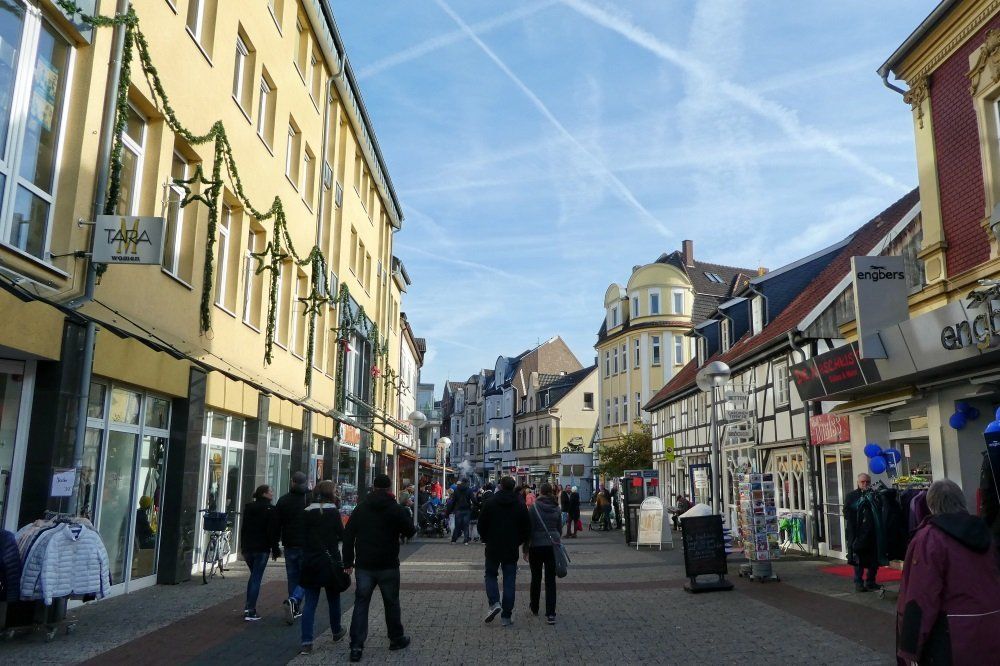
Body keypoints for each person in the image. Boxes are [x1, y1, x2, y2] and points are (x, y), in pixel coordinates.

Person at [896, 479, 1000, 664]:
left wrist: (909, 650)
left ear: (931, 505)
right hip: (991, 630)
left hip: (951, 639)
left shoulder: (930, 538)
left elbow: (921, 596)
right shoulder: (986, 534)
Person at [343, 473, 417, 662]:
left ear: (373, 487)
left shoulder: (361, 508)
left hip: (364, 564)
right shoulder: (395, 508)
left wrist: (348, 562)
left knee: (361, 603)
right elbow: (410, 530)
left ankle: (356, 646)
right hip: (388, 563)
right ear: (389, 488)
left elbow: (348, 535)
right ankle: (396, 638)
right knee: (391, 602)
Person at [298, 481, 347, 654]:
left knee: (310, 603)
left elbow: (301, 536)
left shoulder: (306, 512)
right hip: (330, 561)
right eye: (335, 490)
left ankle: (306, 641)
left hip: (311, 561)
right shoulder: (333, 512)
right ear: (330, 493)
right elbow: (342, 534)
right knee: (333, 598)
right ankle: (336, 631)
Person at [478, 476, 531, 627]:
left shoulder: (490, 502)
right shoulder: (519, 504)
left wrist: (486, 538)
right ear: (513, 487)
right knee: (509, 580)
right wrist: (519, 541)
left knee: (490, 575)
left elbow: (481, 524)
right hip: (511, 547)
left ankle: (494, 602)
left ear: (500, 486)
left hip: (493, 546)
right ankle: (506, 616)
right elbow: (527, 527)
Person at [240, 484, 280, 621]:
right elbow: (272, 531)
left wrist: (243, 546)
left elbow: (244, 528)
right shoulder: (270, 509)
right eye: (270, 491)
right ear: (264, 494)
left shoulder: (249, 507)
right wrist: (275, 549)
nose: (272, 493)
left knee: (254, 576)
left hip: (248, 548)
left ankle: (248, 607)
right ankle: (250, 610)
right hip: (262, 548)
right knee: (256, 578)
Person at [276, 471, 311, 623]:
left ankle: (294, 606)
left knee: (292, 576)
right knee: (306, 576)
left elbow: (277, 523)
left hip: (289, 543)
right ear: (305, 482)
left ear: (292, 482)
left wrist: (275, 544)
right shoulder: (309, 500)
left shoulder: (283, 500)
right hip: (306, 543)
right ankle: (294, 600)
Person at [525, 482, 562, 624]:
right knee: (550, 580)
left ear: (540, 492)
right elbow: (559, 529)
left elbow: (529, 530)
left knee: (536, 577)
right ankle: (551, 613)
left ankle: (534, 607)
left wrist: (526, 549)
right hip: (552, 546)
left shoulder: (533, 508)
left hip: (536, 546)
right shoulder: (556, 507)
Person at [844, 473, 883, 592]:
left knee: (874, 558)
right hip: (858, 532)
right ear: (858, 483)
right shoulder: (851, 496)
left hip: (872, 532)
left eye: (867, 482)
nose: (865, 484)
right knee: (858, 558)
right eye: (862, 482)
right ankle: (858, 582)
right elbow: (846, 513)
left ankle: (871, 581)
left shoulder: (875, 495)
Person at [447, 480, 474, 544]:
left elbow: (453, 501)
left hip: (458, 510)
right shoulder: (469, 490)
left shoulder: (456, 490)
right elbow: (473, 499)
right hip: (467, 510)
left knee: (457, 525)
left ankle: (454, 540)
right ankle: (466, 540)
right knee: (466, 526)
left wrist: (451, 510)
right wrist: (479, 505)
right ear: (467, 483)